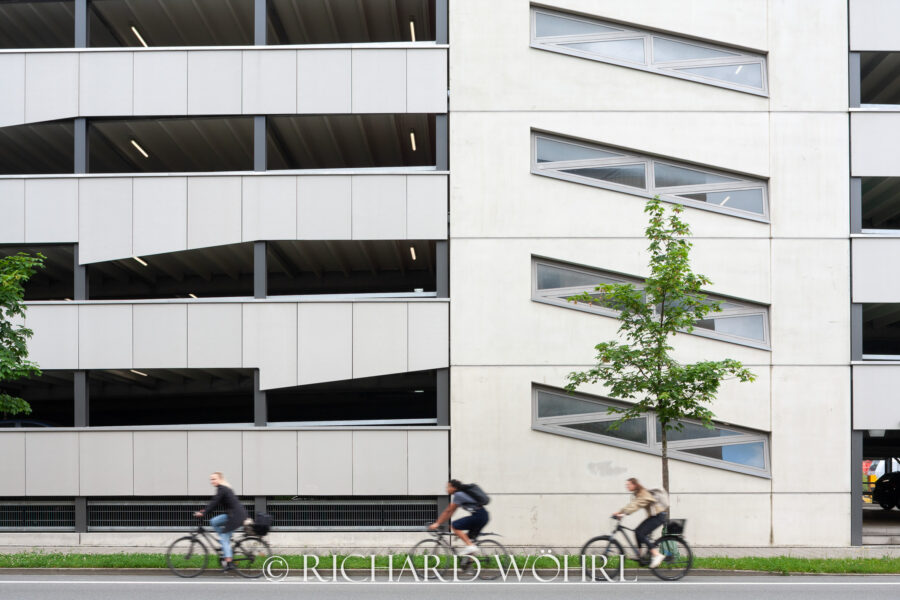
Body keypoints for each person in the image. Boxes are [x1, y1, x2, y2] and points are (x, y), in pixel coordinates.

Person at [193, 472, 248, 570]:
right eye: (211, 479)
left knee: (224, 539)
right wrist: (205, 510)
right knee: (214, 521)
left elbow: (214, 503)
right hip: (231, 514)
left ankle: (229, 562)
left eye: (214, 479)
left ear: (220, 479)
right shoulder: (222, 489)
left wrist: (204, 513)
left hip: (235, 517)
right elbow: (214, 502)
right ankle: (224, 541)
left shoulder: (222, 489)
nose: (212, 481)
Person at [612, 477, 666, 569]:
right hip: (654, 516)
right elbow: (632, 504)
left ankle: (656, 554)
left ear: (634, 484)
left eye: (628, 484)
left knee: (640, 533)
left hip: (658, 516)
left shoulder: (643, 493)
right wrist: (621, 512)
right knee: (637, 531)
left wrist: (622, 513)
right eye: (626, 485)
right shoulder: (637, 493)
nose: (627, 486)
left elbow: (636, 505)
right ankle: (640, 555)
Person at [428, 479, 488, 555]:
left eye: (448, 487)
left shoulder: (458, 495)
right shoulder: (461, 494)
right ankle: (468, 564)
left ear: (454, 488)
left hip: (479, 515)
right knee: (469, 540)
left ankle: (470, 546)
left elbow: (448, 510)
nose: (446, 489)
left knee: (455, 525)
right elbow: (451, 512)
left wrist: (437, 523)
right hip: (483, 516)